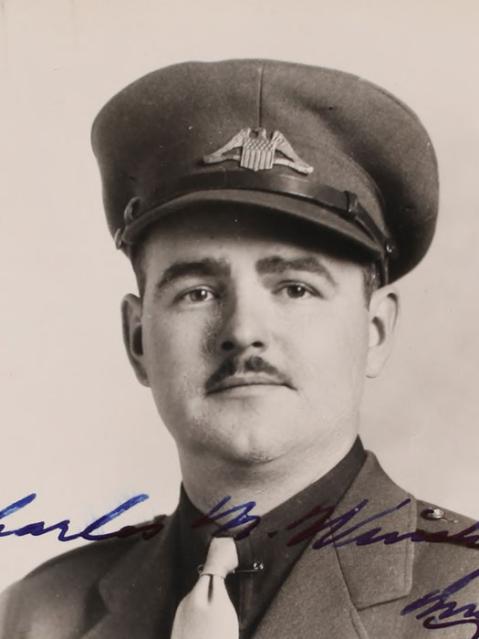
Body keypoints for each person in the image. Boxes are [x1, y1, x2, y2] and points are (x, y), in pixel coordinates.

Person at [1, 59, 478, 639]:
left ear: (375, 331)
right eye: (197, 292)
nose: (244, 330)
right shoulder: (33, 618)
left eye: (295, 288)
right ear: (137, 339)